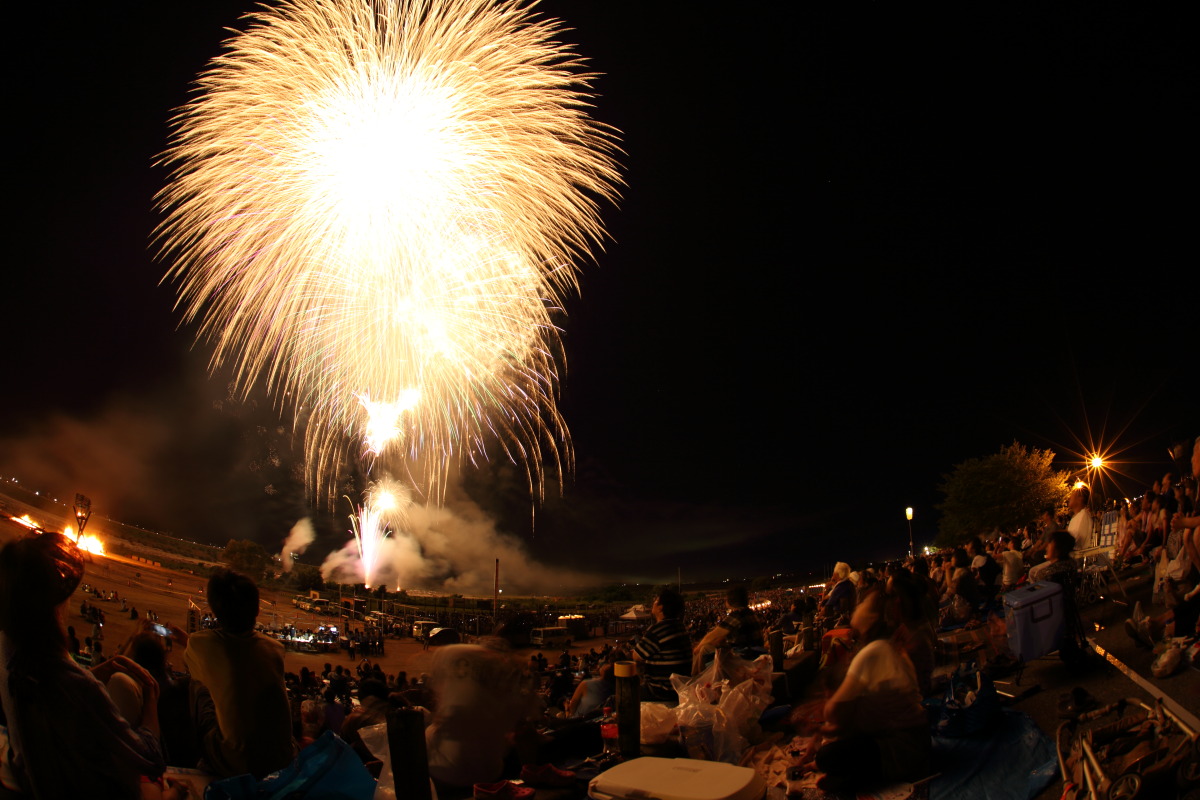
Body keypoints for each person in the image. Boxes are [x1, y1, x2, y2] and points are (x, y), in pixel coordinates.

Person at [0, 531, 165, 797]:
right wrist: (151, 698)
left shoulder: (7, 647)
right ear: (55, 603)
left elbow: (57, 693)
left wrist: (94, 673)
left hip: (30, 776)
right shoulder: (73, 684)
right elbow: (150, 759)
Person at [813, 588, 930, 793]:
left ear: (872, 617)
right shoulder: (887, 647)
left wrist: (824, 725)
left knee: (827, 756)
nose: (855, 609)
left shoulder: (872, 653)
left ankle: (862, 776)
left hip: (903, 751)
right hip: (916, 743)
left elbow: (834, 711)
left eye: (860, 605)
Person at [182, 568, 295, 779]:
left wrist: (187, 641)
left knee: (195, 689)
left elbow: (201, 665)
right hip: (282, 759)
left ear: (215, 611)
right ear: (257, 610)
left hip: (238, 764)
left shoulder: (199, 643)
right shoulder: (275, 649)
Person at [424, 627, 538, 790]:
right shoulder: (521, 678)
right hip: (489, 772)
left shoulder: (453, 655)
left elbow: (439, 698)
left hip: (443, 771)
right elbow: (523, 730)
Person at [632, 588, 692, 702]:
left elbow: (636, 656)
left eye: (655, 601)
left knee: (616, 698)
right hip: (678, 688)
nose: (653, 603)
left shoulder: (658, 630)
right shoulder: (679, 626)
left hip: (661, 691)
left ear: (661, 607)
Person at [692, 586, 764, 672]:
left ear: (730, 601)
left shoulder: (737, 615)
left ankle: (695, 678)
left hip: (745, 657)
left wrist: (697, 648)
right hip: (754, 654)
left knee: (704, 648)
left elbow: (711, 636)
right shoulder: (750, 613)